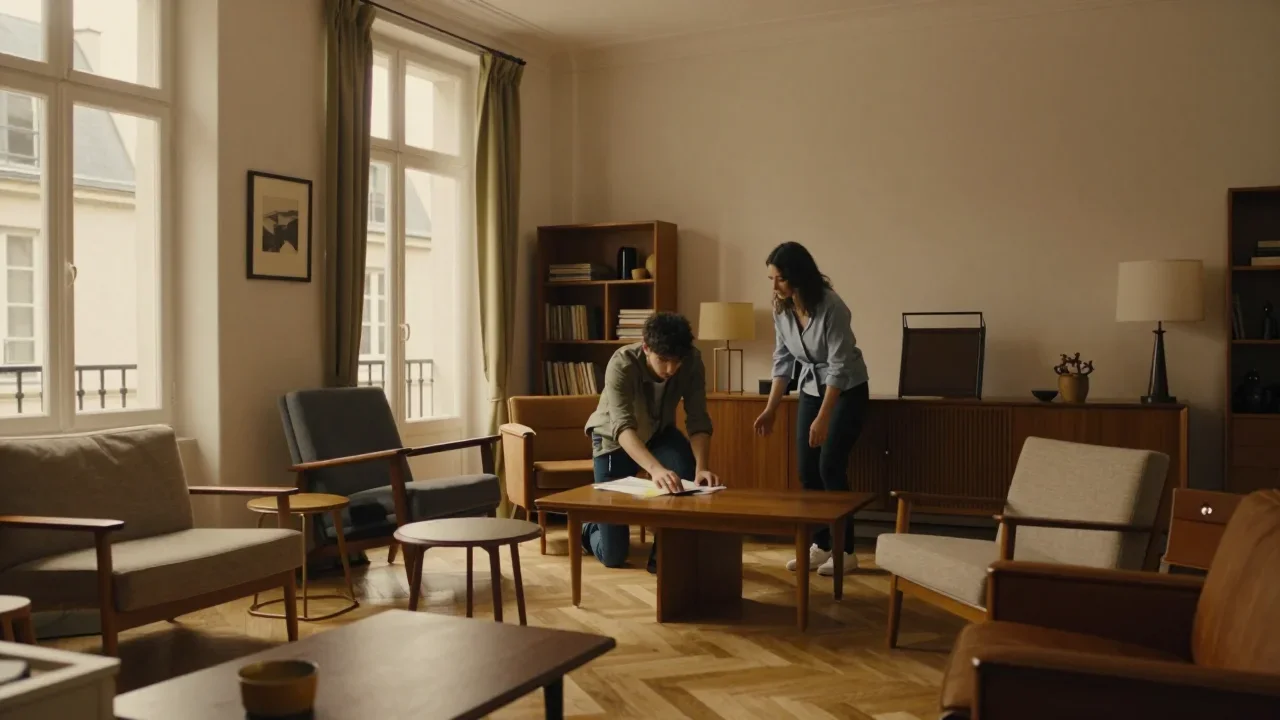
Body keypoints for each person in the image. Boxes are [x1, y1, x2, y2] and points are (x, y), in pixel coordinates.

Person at [753, 242, 870, 576]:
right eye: (771, 279)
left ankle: (846, 550)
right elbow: (783, 360)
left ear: (798, 277)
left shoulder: (833, 307)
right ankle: (821, 545)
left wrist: (823, 418)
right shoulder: (783, 309)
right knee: (808, 470)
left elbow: (839, 367)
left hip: (845, 390)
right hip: (809, 388)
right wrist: (771, 408)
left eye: (779, 279)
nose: (774, 286)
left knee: (830, 465)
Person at [583, 311, 720, 571]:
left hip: (659, 433)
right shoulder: (621, 363)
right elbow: (622, 427)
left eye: (676, 361)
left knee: (689, 478)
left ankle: (663, 558)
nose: (671, 369)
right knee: (613, 555)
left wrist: (702, 467)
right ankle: (590, 525)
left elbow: (698, 419)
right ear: (646, 348)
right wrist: (655, 469)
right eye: (663, 360)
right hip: (613, 440)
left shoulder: (691, 361)